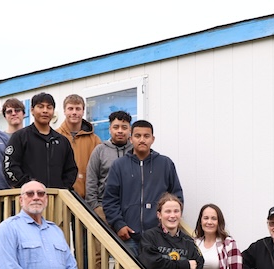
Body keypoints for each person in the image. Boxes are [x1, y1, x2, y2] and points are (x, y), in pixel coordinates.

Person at [103, 120, 183, 257]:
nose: (142, 140)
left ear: (153, 139)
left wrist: (168, 223)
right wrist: (119, 224)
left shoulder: (165, 164)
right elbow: (110, 199)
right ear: (131, 138)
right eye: (137, 136)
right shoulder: (119, 165)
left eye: (146, 136)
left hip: (159, 236)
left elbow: (177, 197)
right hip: (129, 236)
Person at [3, 92, 78, 190]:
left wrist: (62, 189)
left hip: (57, 199)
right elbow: (10, 167)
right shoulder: (20, 137)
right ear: (32, 110)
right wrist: (29, 187)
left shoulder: (62, 141)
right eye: (40, 107)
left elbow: (71, 170)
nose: (45, 111)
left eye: (49, 107)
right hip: (27, 198)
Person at [85, 110, 133, 222]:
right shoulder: (100, 150)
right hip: (104, 207)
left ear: (130, 130)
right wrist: (96, 207)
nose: (120, 131)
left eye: (124, 127)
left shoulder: (136, 151)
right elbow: (91, 180)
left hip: (131, 209)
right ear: (110, 129)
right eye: (116, 127)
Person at [56, 94, 101, 199]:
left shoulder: (94, 140)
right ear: (64, 111)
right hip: (61, 198)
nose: (74, 112)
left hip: (87, 200)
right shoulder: (55, 137)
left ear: (83, 111)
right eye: (70, 109)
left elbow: (100, 171)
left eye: (78, 109)